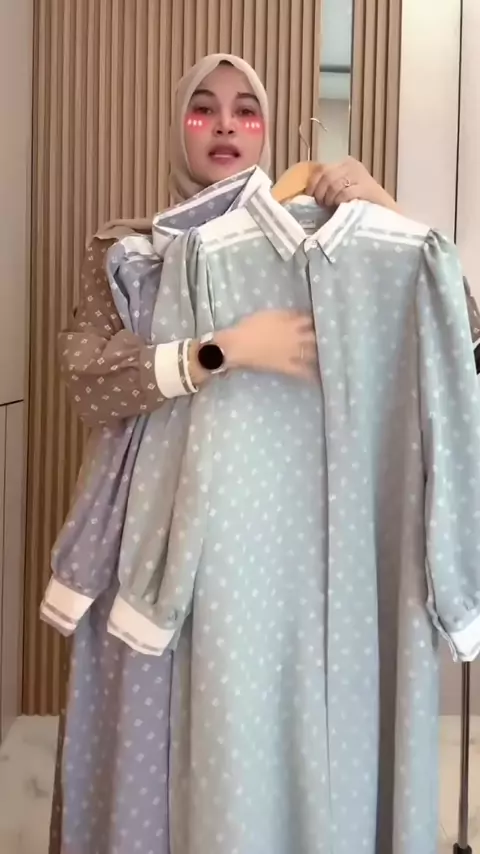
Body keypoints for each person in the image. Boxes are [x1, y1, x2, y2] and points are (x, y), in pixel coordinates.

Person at [49, 54, 403, 854]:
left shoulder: (316, 248)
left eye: (246, 111)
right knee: (145, 754)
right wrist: (223, 349)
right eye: (203, 109)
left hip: (272, 553)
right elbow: (87, 382)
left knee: (253, 757)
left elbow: (458, 331)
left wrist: (384, 207)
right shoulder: (134, 252)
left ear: (268, 130)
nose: (224, 127)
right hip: (151, 539)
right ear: (178, 123)